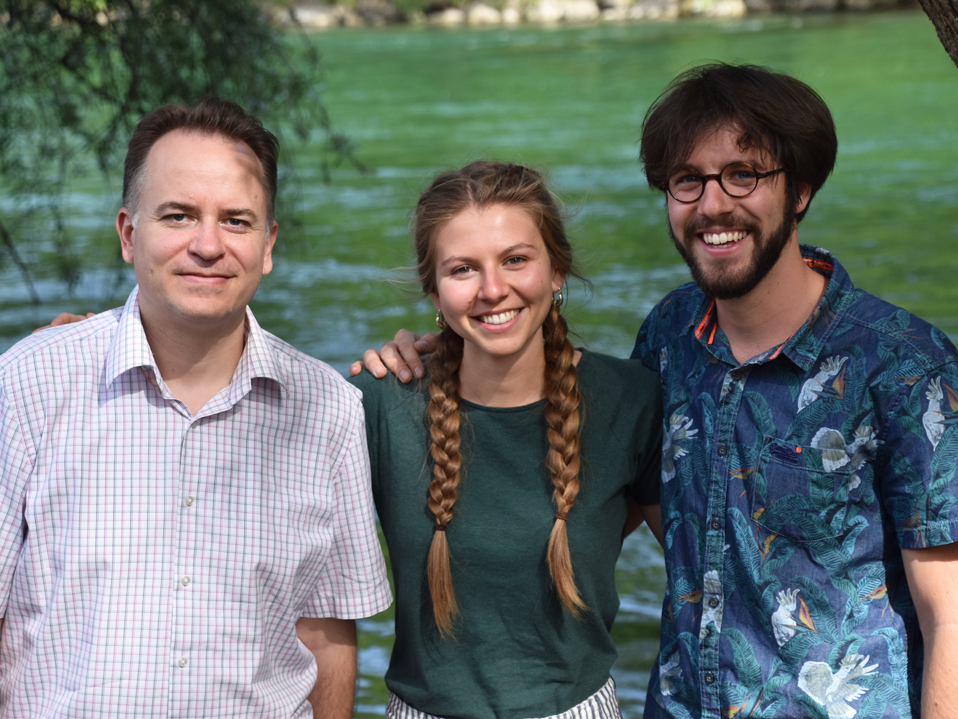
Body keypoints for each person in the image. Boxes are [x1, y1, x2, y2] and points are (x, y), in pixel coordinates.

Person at [359, 64, 958, 719]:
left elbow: (949, 614)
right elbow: (578, 512)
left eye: (744, 174)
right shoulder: (669, 339)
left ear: (802, 189)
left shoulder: (904, 364)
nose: (713, 204)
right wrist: (442, 352)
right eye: (687, 180)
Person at [0, 98, 392, 718]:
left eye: (236, 221)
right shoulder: (29, 385)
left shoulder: (328, 411)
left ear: (267, 245)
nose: (208, 246)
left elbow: (326, 634)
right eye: (179, 216)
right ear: (129, 233)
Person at [350, 161, 663, 719]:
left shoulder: (631, 401)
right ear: (434, 291)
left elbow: (704, 571)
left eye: (516, 260)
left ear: (557, 270)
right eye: (463, 269)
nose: (494, 290)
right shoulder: (379, 404)